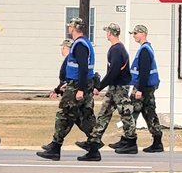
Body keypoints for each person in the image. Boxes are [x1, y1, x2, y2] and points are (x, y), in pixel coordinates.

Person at [38, 17, 97, 161]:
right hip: (77, 83)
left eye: (69, 27)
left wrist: (80, 89)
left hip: (78, 85)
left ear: (72, 28)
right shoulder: (84, 43)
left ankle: (55, 147)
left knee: (64, 115)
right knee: (85, 117)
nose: (69, 29)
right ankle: (94, 149)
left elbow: (83, 68)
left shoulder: (80, 45)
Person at [78, 23, 138, 160]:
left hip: (119, 87)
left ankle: (131, 142)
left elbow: (114, 72)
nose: (106, 34)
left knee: (125, 114)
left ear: (110, 33)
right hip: (114, 87)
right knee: (104, 114)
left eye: (107, 32)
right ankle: (93, 141)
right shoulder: (116, 48)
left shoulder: (117, 50)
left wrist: (99, 86)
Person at [125, 24, 164, 153]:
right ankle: (157, 141)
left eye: (136, 33)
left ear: (143, 34)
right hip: (148, 87)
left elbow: (144, 71)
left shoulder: (144, 50)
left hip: (143, 87)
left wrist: (140, 89)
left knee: (130, 112)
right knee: (149, 113)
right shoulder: (146, 48)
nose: (134, 36)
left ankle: (128, 141)